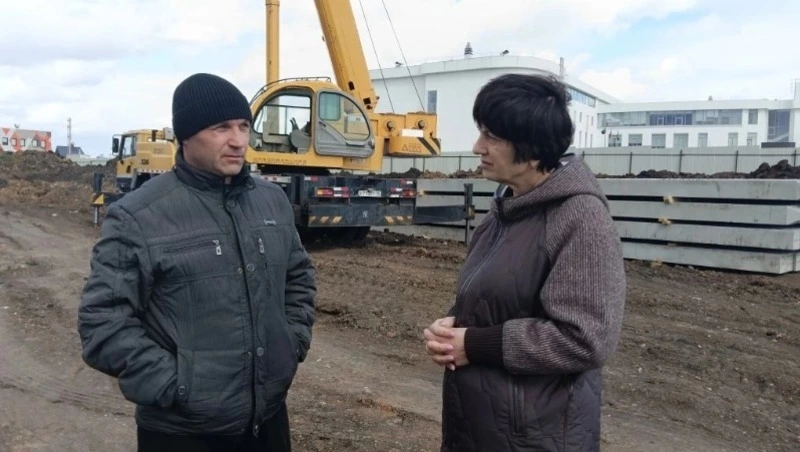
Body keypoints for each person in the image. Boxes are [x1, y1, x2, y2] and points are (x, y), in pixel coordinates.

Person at [78, 73, 316, 452]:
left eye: (243, 126)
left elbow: (298, 279)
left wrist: (291, 344)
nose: (238, 140)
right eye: (221, 128)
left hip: (267, 422)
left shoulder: (271, 201)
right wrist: (177, 385)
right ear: (185, 136)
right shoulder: (138, 216)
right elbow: (102, 321)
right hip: (181, 433)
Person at [423, 73, 626, 451]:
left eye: (492, 136)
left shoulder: (579, 218)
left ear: (531, 148)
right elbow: (494, 297)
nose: (477, 147)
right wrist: (451, 328)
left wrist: (475, 344)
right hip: (482, 427)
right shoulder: (503, 211)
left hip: (536, 435)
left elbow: (586, 338)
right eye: (481, 132)